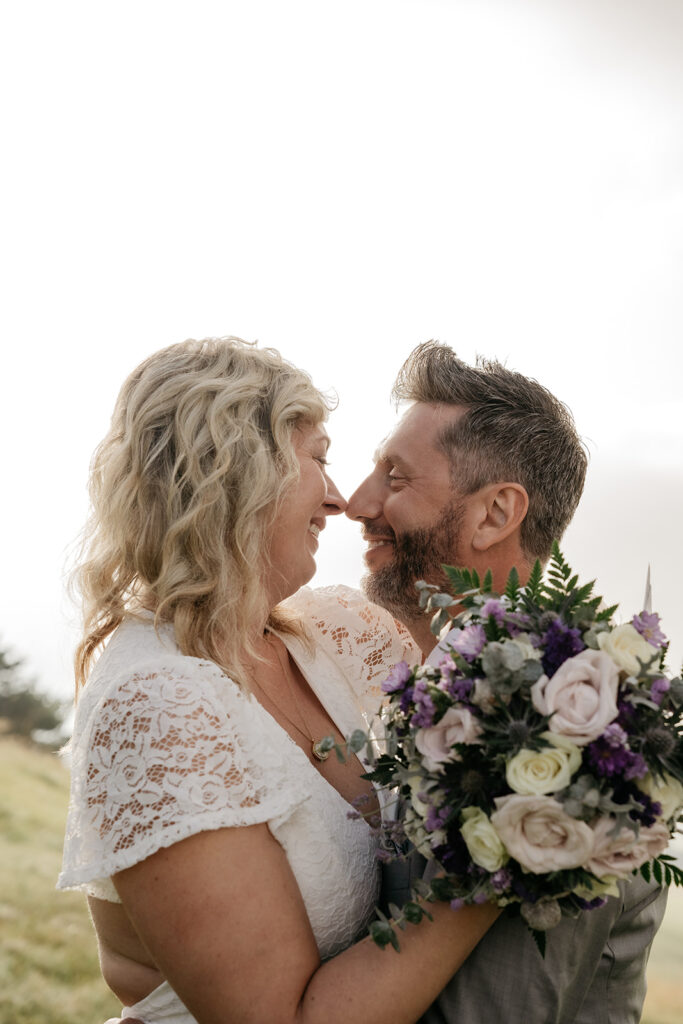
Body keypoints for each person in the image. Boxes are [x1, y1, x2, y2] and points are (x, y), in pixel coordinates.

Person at [58, 336, 499, 1024]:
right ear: (234, 473)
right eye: (318, 458)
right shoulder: (156, 703)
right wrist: (498, 866)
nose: (336, 498)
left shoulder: (336, 634)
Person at [345, 340, 668, 1024]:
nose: (356, 501)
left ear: (494, 513)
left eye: (395, 478)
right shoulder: (415, 676)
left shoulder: (572, 735)